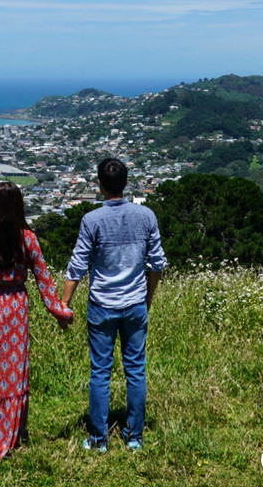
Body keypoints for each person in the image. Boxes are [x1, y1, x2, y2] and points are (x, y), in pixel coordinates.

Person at [0, 181, 73, 462]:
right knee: (11, 376)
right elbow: (44, 281)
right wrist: (61, 313)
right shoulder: (28, 239)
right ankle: (9, 437)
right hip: (16, 311)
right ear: (19, 206)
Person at [62, 158, 166, 454]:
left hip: (102, 305)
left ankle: (98, 439)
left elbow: (77, 266)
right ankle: (133, 437)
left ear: (99, 185)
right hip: (135, 303)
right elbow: (157, 263)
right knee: (135, 370)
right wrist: (148, 296)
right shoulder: (146, 216)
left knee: (100, 372)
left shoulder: (92, 220)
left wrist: (64, 304)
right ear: (126, 182)